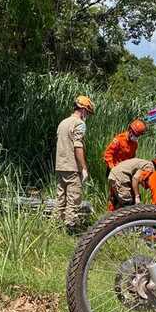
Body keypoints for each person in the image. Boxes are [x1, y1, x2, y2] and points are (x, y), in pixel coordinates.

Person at [55, 95, 94, 233]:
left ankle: (57, 226)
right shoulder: (80, 124)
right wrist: (84, 168)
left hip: (60, 165)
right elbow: (78, 146)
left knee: (61, 198)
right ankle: (70, 229)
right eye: (88, 113)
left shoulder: (63, 122)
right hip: (72, 167)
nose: (87, 116)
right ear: (83, 110)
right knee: (73, 199)